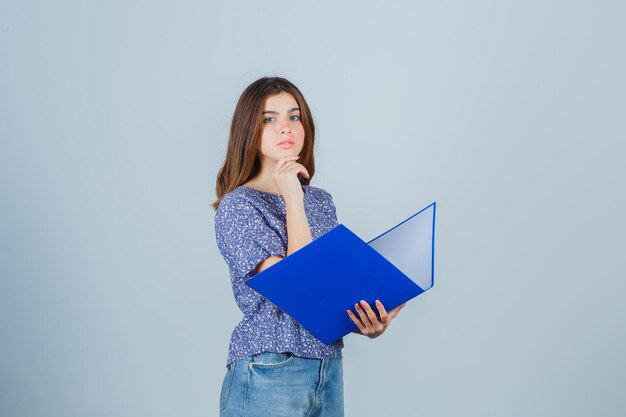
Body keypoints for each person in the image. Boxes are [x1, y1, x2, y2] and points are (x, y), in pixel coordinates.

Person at [212, 76, 406, 417]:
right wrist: (291, 196)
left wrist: (368, 320)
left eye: (294, 116)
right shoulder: (238, 207)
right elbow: (295, 286)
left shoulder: (320, 202)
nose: (285, 127)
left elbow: (324, 294)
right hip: (269, 367)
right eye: (269, 119)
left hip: (327, 368)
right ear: (248, 131)